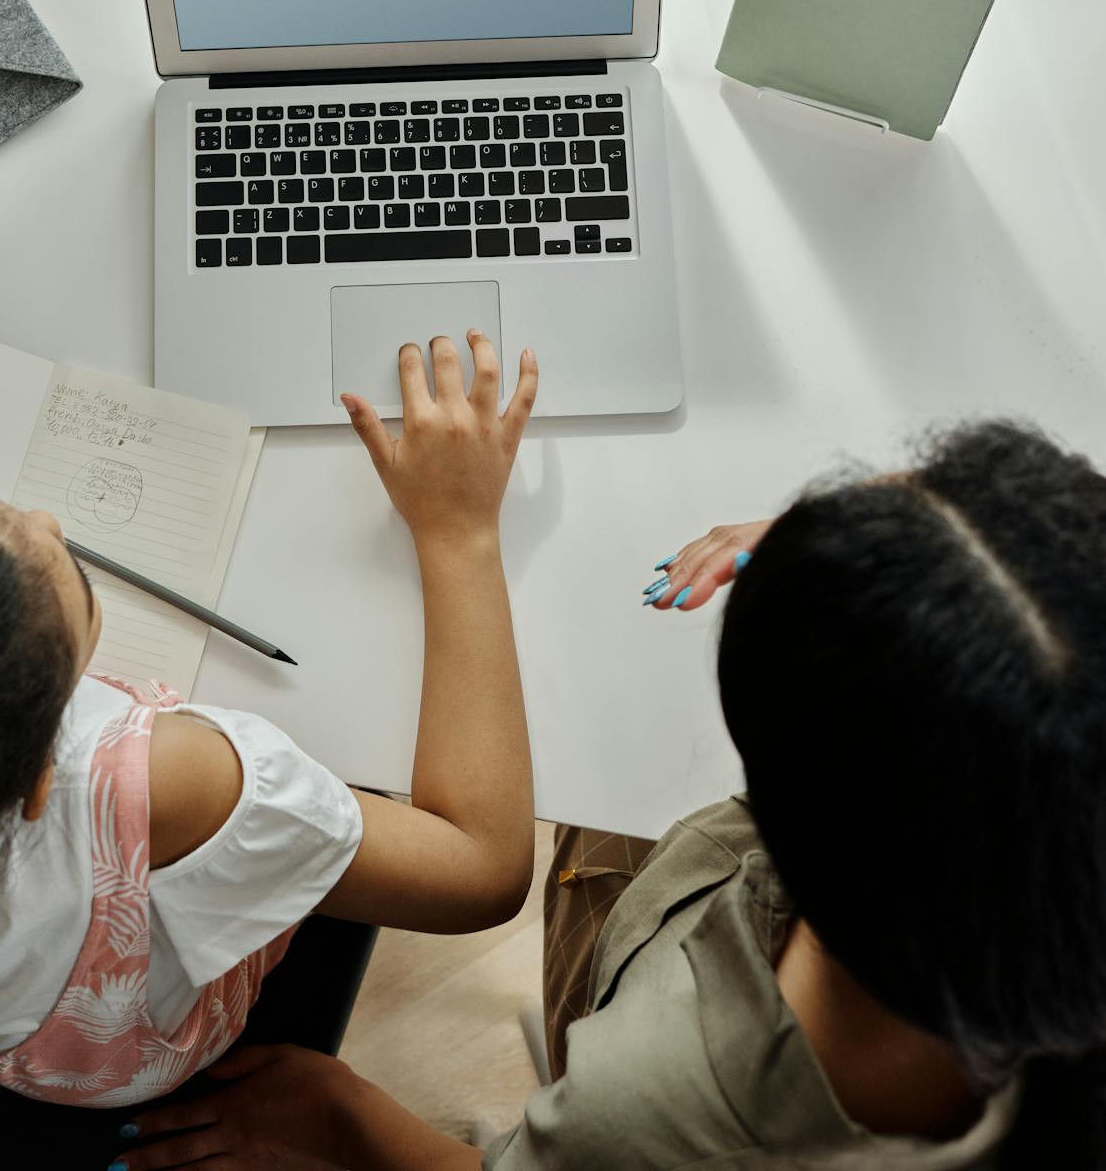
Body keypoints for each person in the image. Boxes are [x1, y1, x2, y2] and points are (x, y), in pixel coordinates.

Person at [113, 421, 1106, 1168]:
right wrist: (914, 579)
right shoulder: (1010, 875)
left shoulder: (648, 1103)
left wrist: (342, 1117)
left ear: (795, 796)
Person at [0, 331, 537, 1115]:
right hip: (123, 1046)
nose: (48, 520)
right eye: (71, 590)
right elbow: (481, 871)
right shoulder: (167, 779)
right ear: (41, 777)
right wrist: (458, 533)